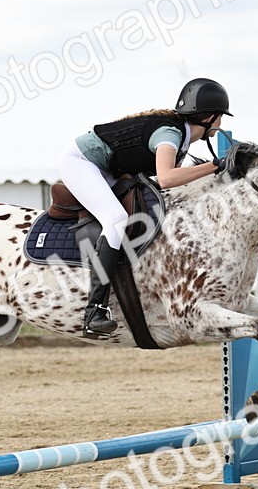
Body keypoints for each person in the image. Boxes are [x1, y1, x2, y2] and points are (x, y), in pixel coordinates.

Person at [60, 78, 233, 338]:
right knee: (116, 218)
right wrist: (214, 166)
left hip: (108, 167)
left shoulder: (181, 135)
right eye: (221, 117)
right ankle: (94, 311)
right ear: (211, 117)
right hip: (82, 162)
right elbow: (167, 178)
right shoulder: (170, 135)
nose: (221, 124)